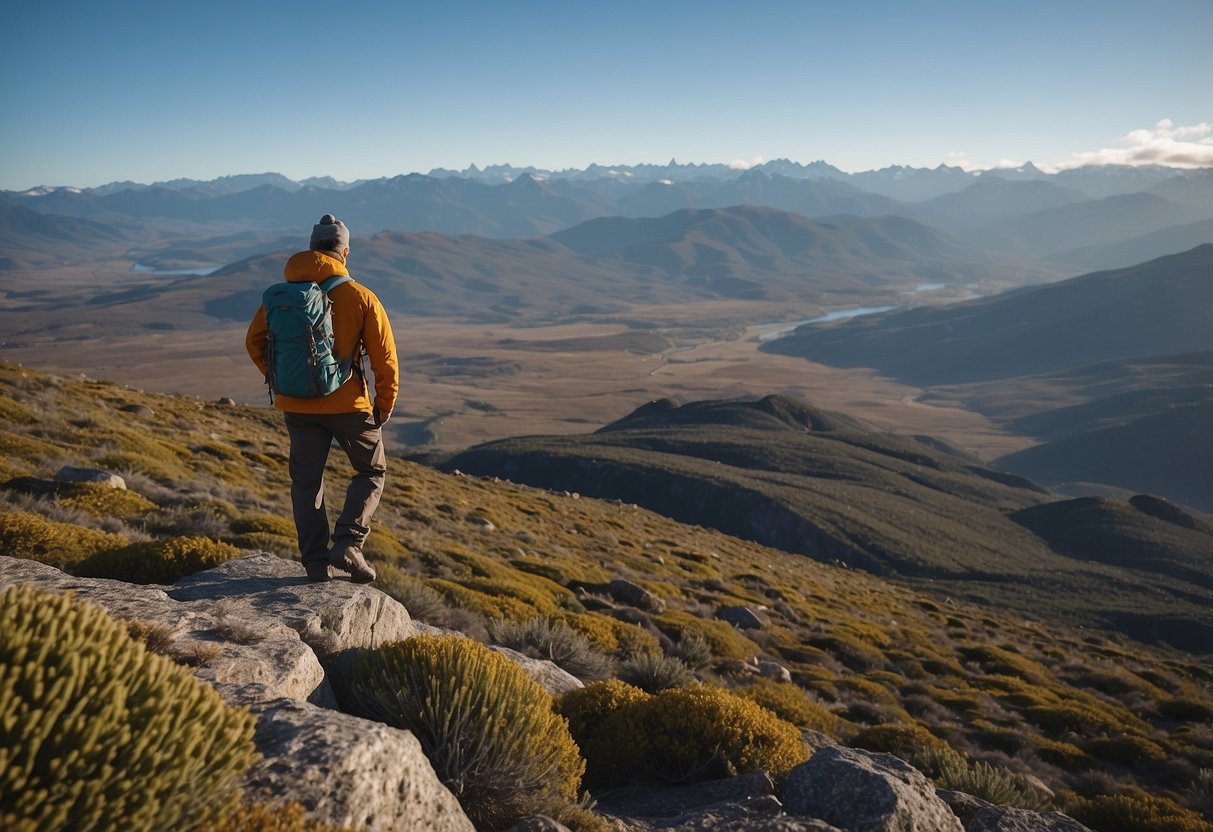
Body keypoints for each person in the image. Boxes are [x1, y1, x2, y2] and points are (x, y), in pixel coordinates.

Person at [246, 214, 398, 583]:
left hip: (296, 406)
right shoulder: (360, 296)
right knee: (371, 470)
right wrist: (384, 405)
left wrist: (282, 378)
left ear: (313, 248)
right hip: (349, 405)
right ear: (344, 253)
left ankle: (315, 564)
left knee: (306, 481)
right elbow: (384, 359)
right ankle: (348, 543)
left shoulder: (281, 295)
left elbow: (255, 342)